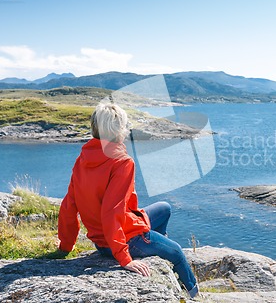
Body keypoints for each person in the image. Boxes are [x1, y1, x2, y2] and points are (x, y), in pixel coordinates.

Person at [58, 103, 199, 298]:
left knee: (164, 208)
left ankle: (154, 247)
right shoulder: (122, 162)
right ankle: (195, 296)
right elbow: (111, 212)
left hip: (104, 239)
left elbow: (68, 206)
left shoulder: (83, 158)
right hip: (123, 239)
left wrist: (65, 246)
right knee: (176, 252)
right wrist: (124, 258)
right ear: (118, 130)